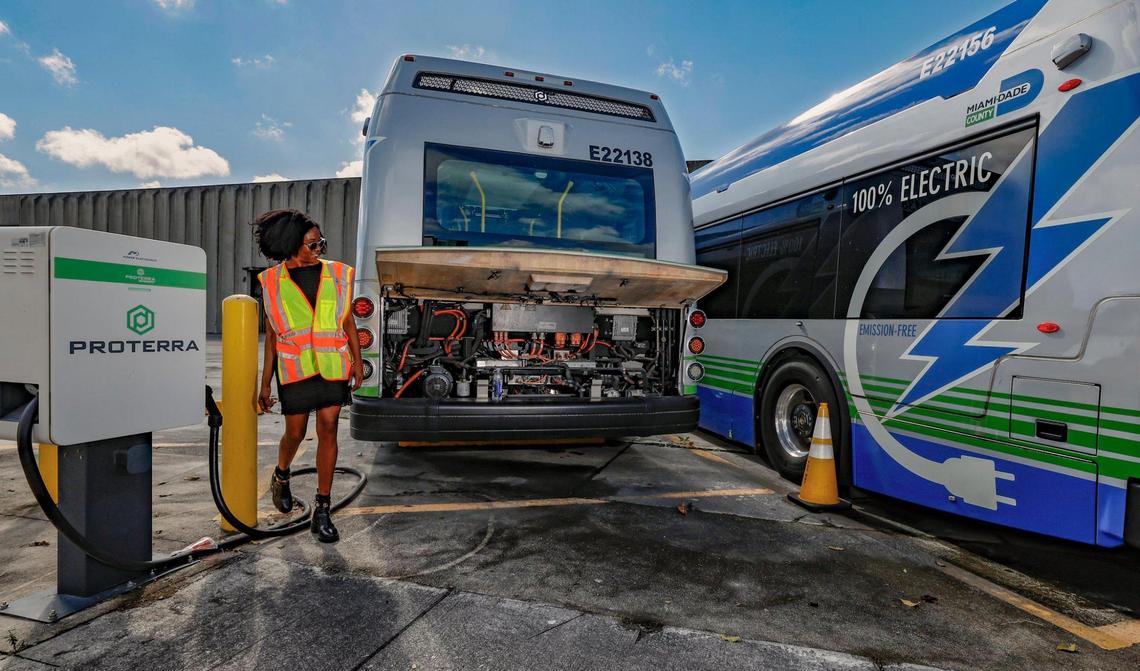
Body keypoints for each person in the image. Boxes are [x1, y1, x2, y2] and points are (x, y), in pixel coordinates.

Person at [252, 209, 363, 543]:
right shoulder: (271, 282)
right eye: (313, 244)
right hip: (296, 369)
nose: (319, 249)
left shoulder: (338, 275)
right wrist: (265, 382)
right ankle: (281, 475)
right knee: (295, 433)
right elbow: (272, 336)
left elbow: (347, 322)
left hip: (332, 366)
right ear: (291, 246)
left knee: (328, 428)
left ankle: (323, 509)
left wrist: (357, 362)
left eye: (321, 243)